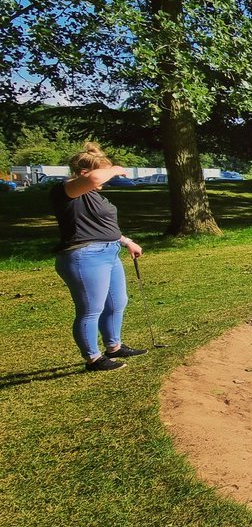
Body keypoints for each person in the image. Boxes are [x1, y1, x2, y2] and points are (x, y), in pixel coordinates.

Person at [51, 143, 147, 372]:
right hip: (84, 255)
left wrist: (126, 241)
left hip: (110, 251)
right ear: (83, 173)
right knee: (91, 309)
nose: (107, 178)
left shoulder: (95, 195)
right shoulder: (65, 191)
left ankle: (114, 346)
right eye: (103, 172)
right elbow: (94, 179)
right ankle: (93, 359)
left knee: (117, 302)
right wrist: (115, 168)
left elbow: (103, 226)